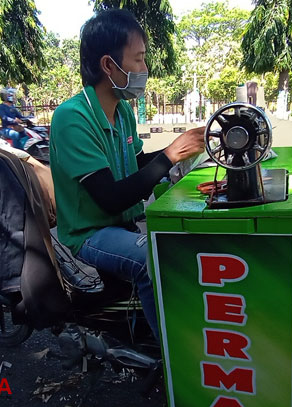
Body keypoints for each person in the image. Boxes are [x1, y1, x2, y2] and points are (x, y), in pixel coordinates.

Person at [49, 9, 205, 339]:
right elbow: (111, 198)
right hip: (90, 233)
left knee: (192, 240)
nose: (145, 70)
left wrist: (182, 158)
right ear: (109, 65)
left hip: (121, 223)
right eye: (139, 59)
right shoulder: (72, 118)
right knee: (153, 260)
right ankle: (173, 357)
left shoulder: (121, 113)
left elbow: (137, 166)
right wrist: (169, 155)